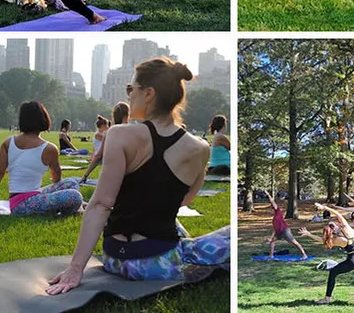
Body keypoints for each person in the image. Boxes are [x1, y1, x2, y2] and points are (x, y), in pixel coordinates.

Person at [45, 58, 227, 295]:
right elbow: (184, 201)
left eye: (131, 89)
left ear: (149, 93)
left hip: (115, 260)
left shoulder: (119, 134)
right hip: (159, 264)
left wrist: (75, 269)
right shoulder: (201, 148)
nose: (128, 95)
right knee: (231, 234)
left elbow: (101, 204)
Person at [0, 101, 84, 216]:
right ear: (43, 119)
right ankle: (76, 211)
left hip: (25, 199)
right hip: (24, 205)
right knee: (74, 196)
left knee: (71, 183)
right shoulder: (49, 148)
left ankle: (77, 209)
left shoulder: (8, 142)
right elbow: (56, 175)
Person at [79, 103, 127, 184]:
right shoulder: (135, 132)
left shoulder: (109, 133)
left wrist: (85, 175)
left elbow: (98, 156)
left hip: (113, 176)